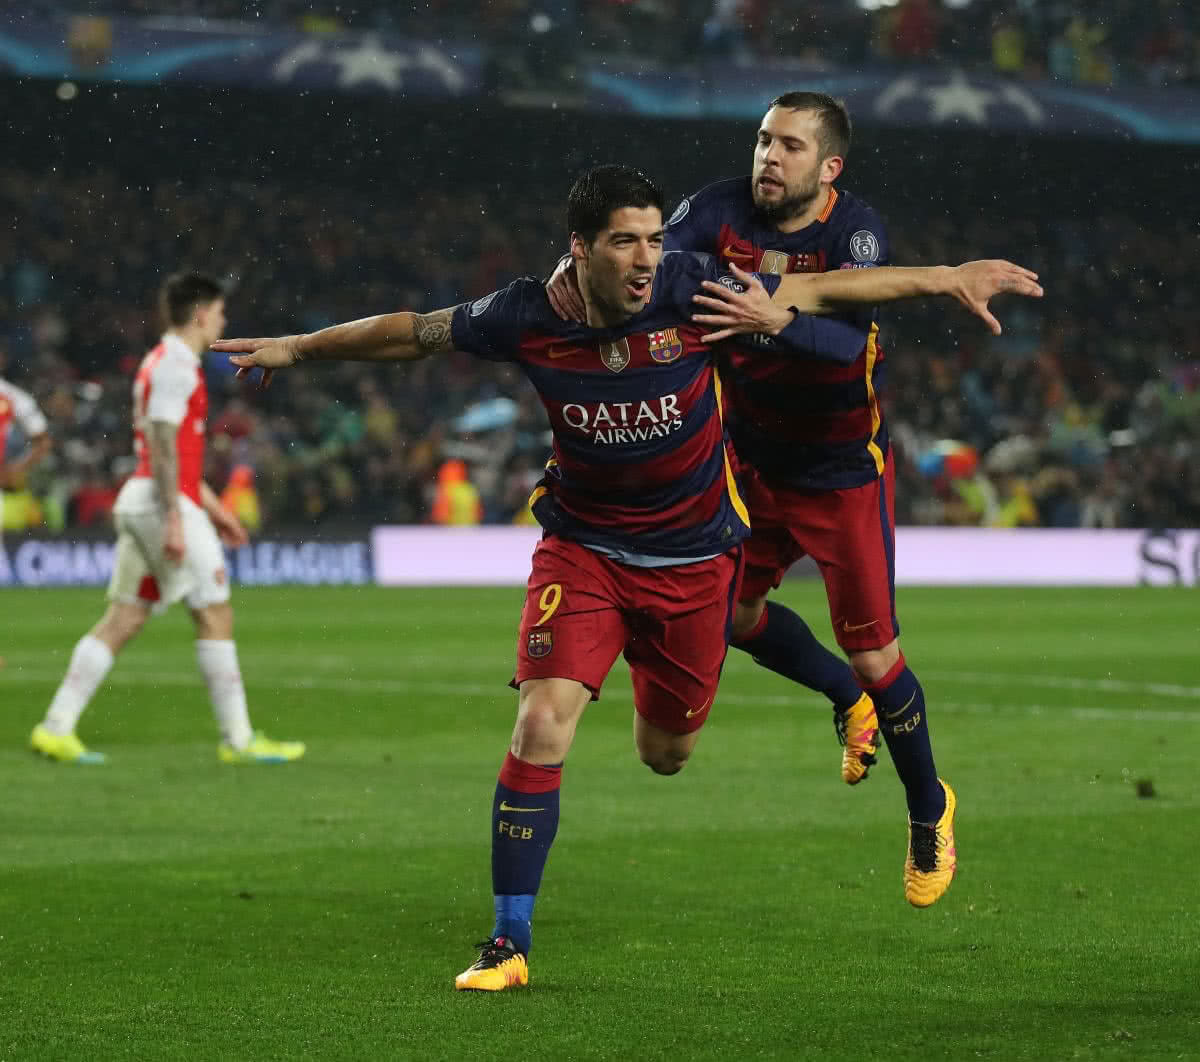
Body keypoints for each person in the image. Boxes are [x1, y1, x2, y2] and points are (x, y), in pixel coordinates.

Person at [216, 165, 1040, 990]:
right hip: (585, 550)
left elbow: (826, 290)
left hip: (696, 560)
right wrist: (299, 348)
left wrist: (945, 278)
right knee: (542, 723)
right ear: (579, 249)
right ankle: (508, 943)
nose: (647, 258)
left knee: (665, 753)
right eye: (625, 242)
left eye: (652, 239)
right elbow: (415, 333)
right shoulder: (526, 313)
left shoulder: (694, 287)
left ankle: (844, 699)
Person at [548, 93, 989, 908]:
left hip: (839, 471)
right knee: (734, 616)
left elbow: (845, 346)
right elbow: (643, 262)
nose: (768, 158)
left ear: (829, 167)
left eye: (789, 146)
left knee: (877, 655)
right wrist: (570, 271)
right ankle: (844, 699)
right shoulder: (715, 210)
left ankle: (929, 806)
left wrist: (773, 317)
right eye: (761, 140)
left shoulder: (853, 233)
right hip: (746, 464)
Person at [30, 272, 305, 767]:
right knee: (214, 612)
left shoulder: (162, 361)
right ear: (200, 314)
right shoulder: (176, 365)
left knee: (126, 617)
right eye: (219, 312)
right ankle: (239, 740)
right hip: (162, 503)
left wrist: (218, 512)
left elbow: (178, 454)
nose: (223, 321)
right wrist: (176, 520)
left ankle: (55, 728)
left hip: (149, 499)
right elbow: (161, 446)